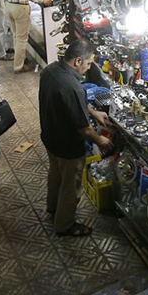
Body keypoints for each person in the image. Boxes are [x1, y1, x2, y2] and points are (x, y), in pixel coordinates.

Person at [39, 39, 112, 236]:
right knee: (71, 187)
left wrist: (92, 112)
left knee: (55, 174)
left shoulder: (51, 70)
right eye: (88, 64)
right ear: (78, 61)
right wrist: (100, 140)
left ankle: (52, 208)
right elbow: (84, 129)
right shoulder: (73, 86)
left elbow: (70, 104)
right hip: (68, 146)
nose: (88, 69)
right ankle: (64, 225)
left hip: (50, 136)